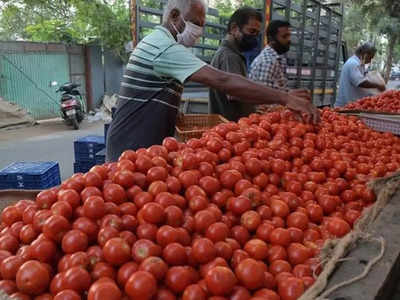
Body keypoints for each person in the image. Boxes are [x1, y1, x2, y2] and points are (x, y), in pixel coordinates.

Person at [106, 0, 320, 162]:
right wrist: (284, 97)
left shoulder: (159, 42)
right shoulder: (164, 48)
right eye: (195, 23)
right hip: (130, 149)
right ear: (173, 15)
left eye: (202, 25)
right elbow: (222, 80)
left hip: (141, 148)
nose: (199, 31)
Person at [208, 7, 262, 121]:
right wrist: (275, 97)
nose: (254, 37)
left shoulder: (232, 54)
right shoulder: (229, 56)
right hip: (230, 129)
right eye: (251, 31)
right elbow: (237, 93)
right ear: (234, 28)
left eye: (257, 33)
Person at [249, 20, 310, 112]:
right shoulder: (267, 62)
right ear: (271, 38)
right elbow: (263, 104)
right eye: (285, 36)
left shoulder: (278, 59)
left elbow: (278, 91)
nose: (289, 40)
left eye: (289, 36)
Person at [335, 43, 386, 107]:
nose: (370, 61)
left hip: (353, 106)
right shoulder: (353, 63)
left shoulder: (359, 65)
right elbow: (361, 82)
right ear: (365, 54)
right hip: (346, 106)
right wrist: (378, 85)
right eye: (370, 58)